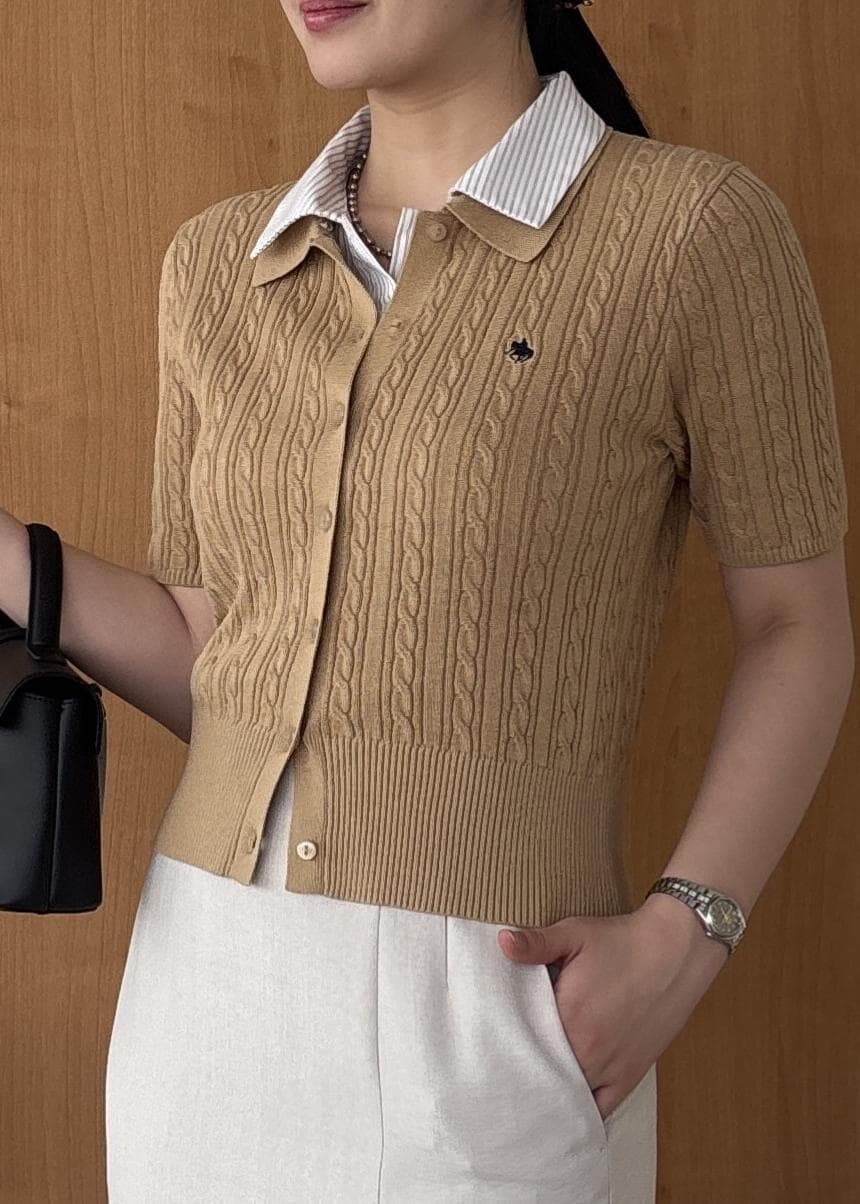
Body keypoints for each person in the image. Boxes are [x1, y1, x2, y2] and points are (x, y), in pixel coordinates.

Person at [0, 1, 850, 1201]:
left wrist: (686, 931)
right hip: (200, 1003)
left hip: (494, 1010)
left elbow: (794, 624)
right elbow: (214, 651)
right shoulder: (218, 262)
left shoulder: (690, 229)